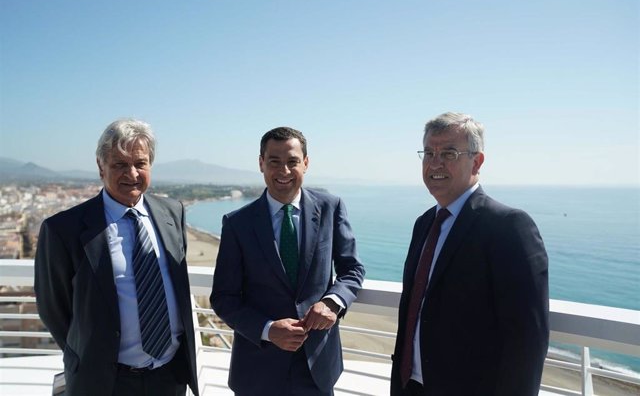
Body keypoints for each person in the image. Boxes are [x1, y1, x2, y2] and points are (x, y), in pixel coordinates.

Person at [34, 119, 199, 396]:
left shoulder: (172, 212)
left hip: (169, 376)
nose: (132, 173)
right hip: (105, 382)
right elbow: (54, 309)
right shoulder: (64, 229)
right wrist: (89, 356)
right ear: (101, 167)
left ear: (151, 165)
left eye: (140, 163)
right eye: (120, 164)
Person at [390, 112, 549, 395]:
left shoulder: (508, 226)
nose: (435, 163)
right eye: (428, 152)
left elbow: (527, 339)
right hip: (410, 387)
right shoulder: (424, 223)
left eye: (449, 153)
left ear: (476, 161)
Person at [210, 126, 365, 396]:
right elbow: (224, 298)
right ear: (261, 164)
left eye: (292, 162)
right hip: (257, 371)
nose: (283, 171)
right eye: (274, 162)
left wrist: (332, 302)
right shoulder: (237, 223)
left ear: (306, 163)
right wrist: (268, 330)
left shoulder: (331, 207)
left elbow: (352, 269)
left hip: (317, 369)